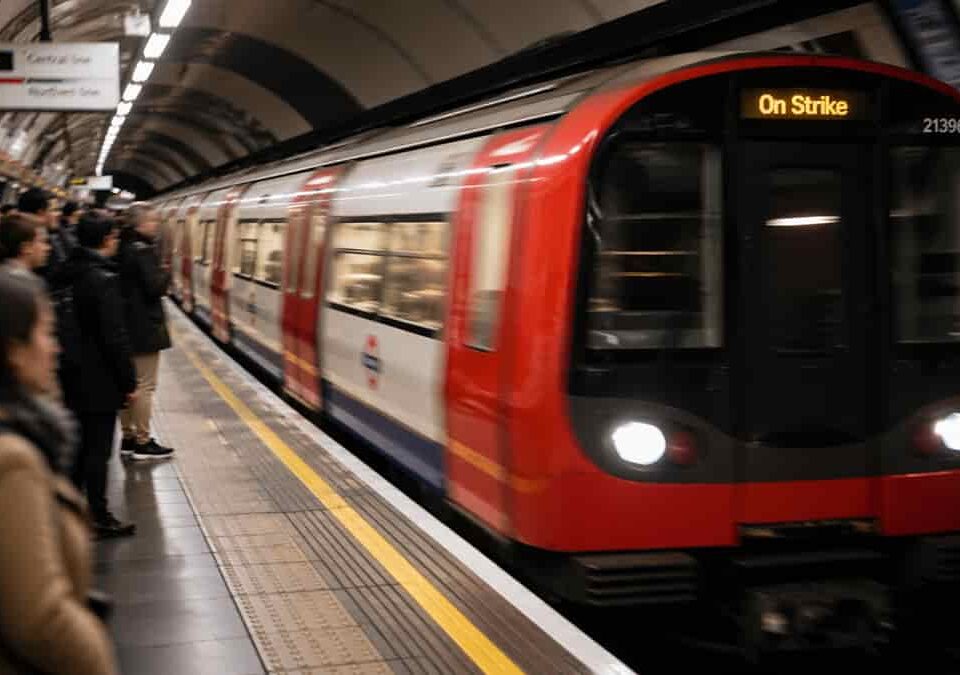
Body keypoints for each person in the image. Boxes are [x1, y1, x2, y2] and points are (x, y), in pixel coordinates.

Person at [0, 271, 119, 674]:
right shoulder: (13, 460)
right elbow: (41, 619)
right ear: (14, 351)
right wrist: (99, 659)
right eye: (46, 333)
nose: (56, 348)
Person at [68, 213, 137, 537]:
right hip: (98, 380)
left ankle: (70, 513)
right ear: (107, 238)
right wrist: (128, 381)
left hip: (69, 375)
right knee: (97, 452)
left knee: (77, 451)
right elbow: (114, 337)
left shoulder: (66, 270)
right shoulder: (103, 279)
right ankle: (98, 516)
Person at [118, 205, 175, 460]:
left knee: (128, 384)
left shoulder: (121, 247)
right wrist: (166, 272)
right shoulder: (143, 251)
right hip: (143, 328)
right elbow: (155, 288)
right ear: (139, 224)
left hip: (125, 325)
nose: (156, 225)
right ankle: (142, 440)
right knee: (144, 386)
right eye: (152, 220)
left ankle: (128, 436)